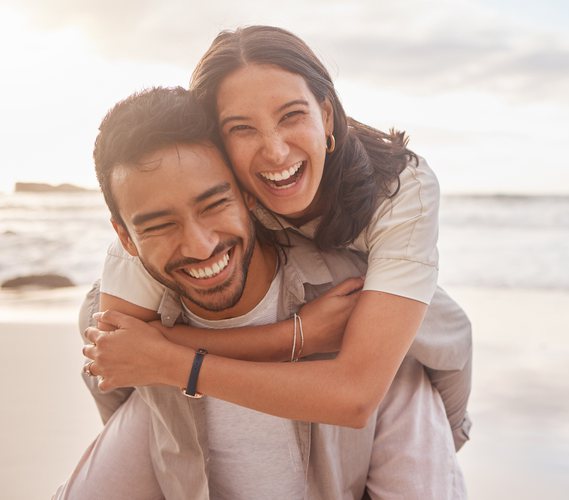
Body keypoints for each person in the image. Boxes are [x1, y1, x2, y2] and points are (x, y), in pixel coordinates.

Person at [58, 87, 464, 499]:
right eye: (159, 225)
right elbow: (114, 380)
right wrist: (291, 337)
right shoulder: (135, 339)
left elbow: (442, 361)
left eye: (213, 204)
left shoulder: (360, 313)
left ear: (250, 195)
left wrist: (187, 361)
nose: (199, 246)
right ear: (125, 237)